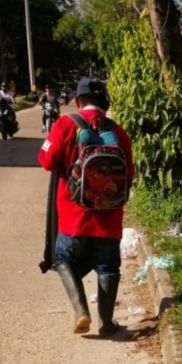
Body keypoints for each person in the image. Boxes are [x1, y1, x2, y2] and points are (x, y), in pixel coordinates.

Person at [38, 78, 134, 337]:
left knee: (63, 259)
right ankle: (107, 323)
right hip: (109, 221)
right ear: (105, 103)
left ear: (78, 102)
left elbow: (46, 160)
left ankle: (81, 310)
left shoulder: (64, 125)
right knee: (108, 268)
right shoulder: (119, 133)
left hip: (72, 220)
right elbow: (130, 178)